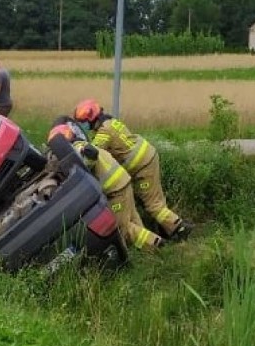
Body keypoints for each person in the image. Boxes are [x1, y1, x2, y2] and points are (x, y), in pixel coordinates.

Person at [72, 99, 191, 241]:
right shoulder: (110, 122)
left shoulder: (103, 133)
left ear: (92, 119)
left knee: (154, 206)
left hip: (143, 166)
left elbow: (94, 154)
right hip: (147, 157)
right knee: (156, 200)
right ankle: (167, 231)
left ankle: (180, 229)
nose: (83, 126)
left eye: (84, 122)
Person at [47, 120, 162, 251]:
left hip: (115, 191)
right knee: (134, 222)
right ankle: (147, 251)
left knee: (123, 229)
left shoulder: (77, 148)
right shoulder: (84, 143)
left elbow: (90, 155)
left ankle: (156, 245)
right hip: (123, 183)